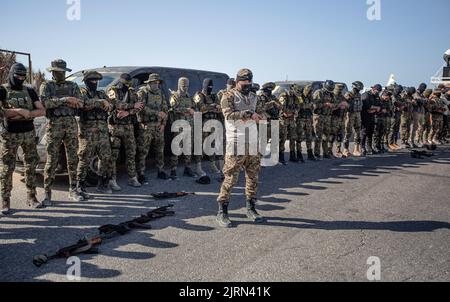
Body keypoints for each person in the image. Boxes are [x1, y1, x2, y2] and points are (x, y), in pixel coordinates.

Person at [217, 68, 263, 228]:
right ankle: (222, 211)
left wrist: (261, 116)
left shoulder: (254, 96)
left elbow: (262, 114)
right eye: (245, 83)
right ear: (237, 82)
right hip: (236, 143)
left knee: (253, 177)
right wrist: (248, 114)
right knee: (230, 178)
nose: (248, 86)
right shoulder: (228, 95)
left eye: (250, 82)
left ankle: (251, 208)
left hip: (252, 143)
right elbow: (228, 115)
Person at [0, 63, 46, 216]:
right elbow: (2, 112)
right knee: (7, 168)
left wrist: (28, 113)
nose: (20, 78)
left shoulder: (30, 90)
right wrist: (19, 111)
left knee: (31, 166)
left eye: (22, 76)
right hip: (10, 135)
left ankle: (31, 197)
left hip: (28, 133)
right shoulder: (3, 90)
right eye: (17, 76)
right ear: (11, 74)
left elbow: (41, 110)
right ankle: (5, 201)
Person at [40, 59, 84, 204]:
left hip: (71, 124)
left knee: (73, 159)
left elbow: (80, 102)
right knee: (51, 160)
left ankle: (74, 190)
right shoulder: (46, 85)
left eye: (63, 72)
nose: (61, 74)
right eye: (58, 72)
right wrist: (66, 99)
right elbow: (46, 103)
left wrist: (60, 101)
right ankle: (47, 194)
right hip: (55, 125)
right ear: (52, 71)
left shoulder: (73, 85)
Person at [77, 71, 113, 196]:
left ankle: (103, 183)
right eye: (92, 80)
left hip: (102, 131)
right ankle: (79, 185)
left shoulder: (101, 93)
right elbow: (84, 105)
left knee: (106, 158)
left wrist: (109, 105)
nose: (95, 83)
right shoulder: (81, 92)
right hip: (88, 132)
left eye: (97, 81)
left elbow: (111, 104)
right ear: (86, 81)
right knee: (84, 159)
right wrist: (100, 102)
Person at [106, 73, 144, 191]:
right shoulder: (112, 91)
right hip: (115, 127)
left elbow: (140, 106)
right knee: (114, 155)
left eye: (127, 82)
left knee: (131, 153)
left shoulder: (132, 92)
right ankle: (112, 180)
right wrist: (132, 105)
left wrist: (128, 112)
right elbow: (115, 103)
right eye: (124, 82)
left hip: (128, 126)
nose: (126, 84)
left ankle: (132, 177)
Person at [136, 73, 169, 183]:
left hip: (158, 126)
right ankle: (140, 173)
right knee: (143, 151)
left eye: (157, 83)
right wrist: (157, 113)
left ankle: (160, 170)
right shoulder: (142, 92)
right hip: (146, 126)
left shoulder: (160, 93)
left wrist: (163, 123)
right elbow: (141, 107)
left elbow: (165, 108)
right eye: (154, 83)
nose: (156, 84)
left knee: (160, 149)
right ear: (149, 83)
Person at [169, 77, 197, 179]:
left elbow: (194, 107)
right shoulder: (174, 96)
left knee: (188, 148)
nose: (185, 88)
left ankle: (187, 168)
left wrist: (193, 110)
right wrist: (187, 109)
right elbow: (173, 108)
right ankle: (173, 169)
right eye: (183, 86)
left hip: (189, 125)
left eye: (187, 86)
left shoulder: (189, 96)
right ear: (179, 85)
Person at [194, 78, 222, 177]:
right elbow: (201, 108)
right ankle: (198, 167)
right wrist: (213, 106)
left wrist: (210, 107)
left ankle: (213, 164)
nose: (210, 88)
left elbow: (220, 109)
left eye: (211, 86)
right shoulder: (199, 95)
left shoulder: (214, 95)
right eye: (208, 86)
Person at [313, 80, 335, 159]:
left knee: (327, 136)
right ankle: (317, 153)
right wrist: (325, 104)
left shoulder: (331, 94)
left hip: (327, 117)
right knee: (318, 136)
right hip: (319, 116)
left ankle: (326, 153)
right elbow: (314, 105)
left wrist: (333, 105)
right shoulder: (319, 93)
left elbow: (334, 102)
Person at [278, 85, 299, 163]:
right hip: (283, 120)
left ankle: (292, 156)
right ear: (292, 90)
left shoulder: (295, 97)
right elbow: (282, 109)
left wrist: (293, 112)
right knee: (283, 138)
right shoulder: (284, 95)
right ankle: (281, 157)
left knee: (293, 137)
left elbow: (298, 107)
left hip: (291, 119)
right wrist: (289, 113)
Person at [343, 81, 364, 157]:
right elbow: (344, 103)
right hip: (350, 114)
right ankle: (345, 150)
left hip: (358, 114)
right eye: (359, 88)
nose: (359, 90)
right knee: (348, 132)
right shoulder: (348, 94)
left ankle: (356, 149)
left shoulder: (359, 95)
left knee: (358, 132)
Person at [361, 84, 382, 155]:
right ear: (373, 89)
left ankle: (369, 148)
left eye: (379, 91)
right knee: (364, 133)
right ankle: (362, 147)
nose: (378, 93)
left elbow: (380, 106)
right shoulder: (366, 95)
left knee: (370, 133)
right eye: (377, 91)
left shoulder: (376, 96)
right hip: (365, 117)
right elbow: (367, 107)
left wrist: (374, 109)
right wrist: (375, 108)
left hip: (372, 116)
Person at [330, 84, 348, 158]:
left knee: (339, 135)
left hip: (341, 118)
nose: (340, 91)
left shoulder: (342, 97)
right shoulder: (331, 96)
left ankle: (338, 150)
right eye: (338, 89)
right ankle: (329, 151)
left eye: (341, 90)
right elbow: (329, 107)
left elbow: (347, 105)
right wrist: (339, 105)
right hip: (333, 118)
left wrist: (346, 105)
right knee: (332, 135)